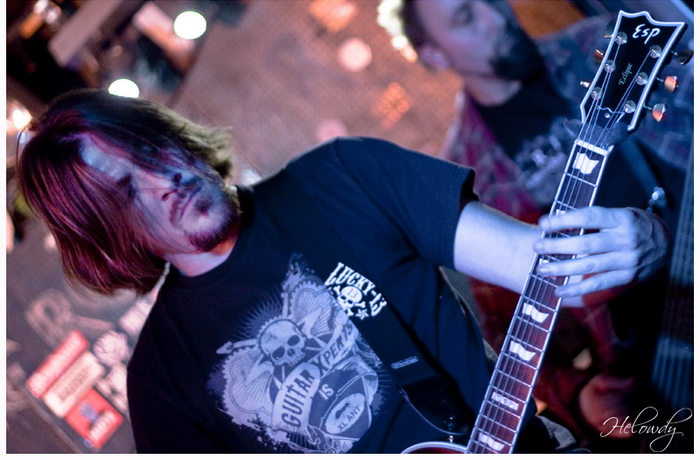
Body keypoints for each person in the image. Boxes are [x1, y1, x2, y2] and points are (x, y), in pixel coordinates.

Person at [17, 89, 670, 453]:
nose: (164, 180)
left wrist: (645, 235)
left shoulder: (342, 177)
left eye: (152, 150)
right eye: (126, 191)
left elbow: (538, 262)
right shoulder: (163, 380)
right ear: (111, 239)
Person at [377, 0, 693, 447]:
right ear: (435, 54)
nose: (497, 16)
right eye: (466, 16)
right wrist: (580, 395)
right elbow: (506, 328)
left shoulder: (603, 47)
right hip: (649, 364)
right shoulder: (468, 176)